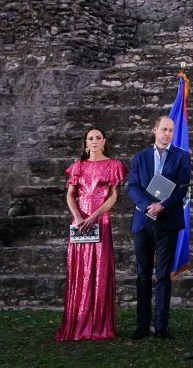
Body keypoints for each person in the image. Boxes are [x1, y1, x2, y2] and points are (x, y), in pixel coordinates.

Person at [55, 128, 127, 341]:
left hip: (100, 219)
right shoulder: (78, 166)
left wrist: (95, 215)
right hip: (80, 220)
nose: (94, 141)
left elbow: (114, 197)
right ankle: (78, 321)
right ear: (85, 143)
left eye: (98, 138)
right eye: (90, 138)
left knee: (100, 269)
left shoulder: (113, 165)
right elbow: (70, 195)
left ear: (104, 141)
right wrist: (77, 217)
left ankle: (98, 324)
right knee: (80, 268)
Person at [127, 115, 192, 339]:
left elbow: (183, 188)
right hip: (143, 222)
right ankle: (142, 325)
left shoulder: (182, 157)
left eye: (171, 130)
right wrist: (148, 206)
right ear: (154, 130)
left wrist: (162, 206)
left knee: (163, 275)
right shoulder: (139, 157)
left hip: (168, 221)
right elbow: (132, 187)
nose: (167, 134)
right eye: (164, 129)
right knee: (143, 274)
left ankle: (161, 326)